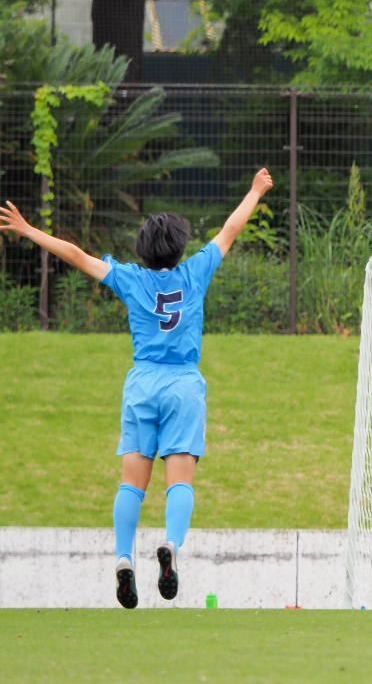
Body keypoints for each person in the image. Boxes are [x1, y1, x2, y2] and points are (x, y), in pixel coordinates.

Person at [0, 168, 273, 609]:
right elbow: (231, 228)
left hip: (142, 384)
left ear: (142, 250)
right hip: (183, 384)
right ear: (180, 246)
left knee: (131, 484)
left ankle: (124, 559)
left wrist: (29, 229)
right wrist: (255, 190)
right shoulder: (195, 272)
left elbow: (76, 255)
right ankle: (171, 545)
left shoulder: (130, 278)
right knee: (179, 478)